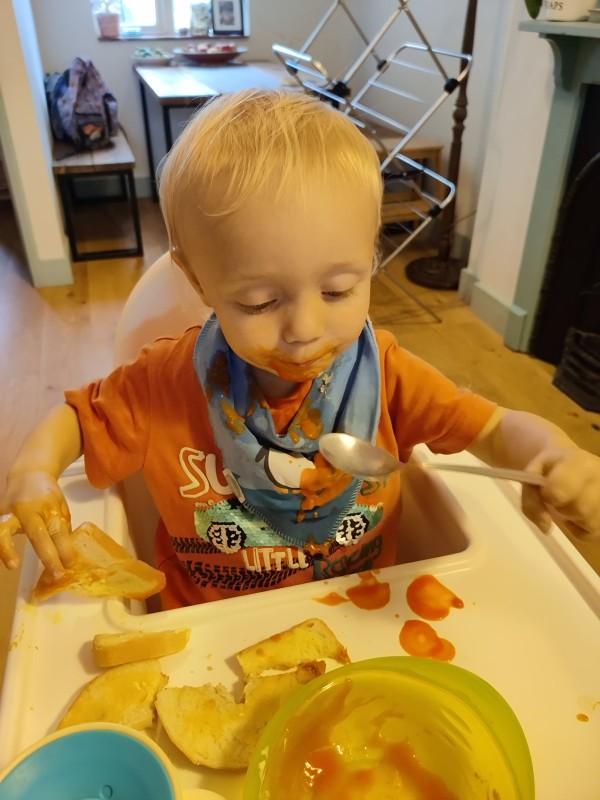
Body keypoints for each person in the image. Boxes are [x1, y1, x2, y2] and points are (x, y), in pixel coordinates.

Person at [1, 89, 599, 609]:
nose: (305, 329)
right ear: (200, 282)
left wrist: (554, 452)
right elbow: (77, 420)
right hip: (208, 630)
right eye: (260, 303)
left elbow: (495, 430)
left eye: (339, 289)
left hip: (359, 612)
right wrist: (32, 471)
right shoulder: (165, 379)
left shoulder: (386, 373)